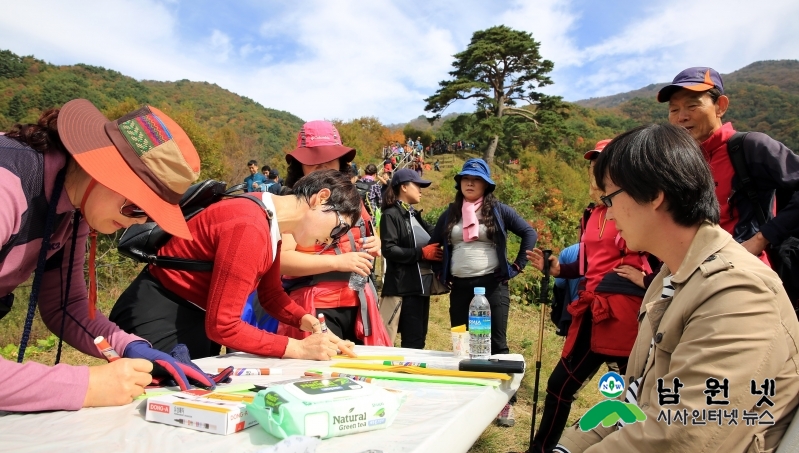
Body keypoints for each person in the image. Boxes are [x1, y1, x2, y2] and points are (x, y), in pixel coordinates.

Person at [555, 123, 799, 453]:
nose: (608, 216)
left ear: (655, 194)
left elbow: (680, 437)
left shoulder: (738, 294)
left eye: (610, 198)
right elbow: (633, 404)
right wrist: (567, 447)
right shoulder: (670, 280)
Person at [0, 100, 219, 412]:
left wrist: (131, 346)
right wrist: (85, 386)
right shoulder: (6, 186)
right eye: (138, 208)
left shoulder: (74, 207)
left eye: (150, 216)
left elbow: (66, 305)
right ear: (104, 172)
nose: (137, 222)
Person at [110, 170, 358, 360]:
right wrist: (298, 348)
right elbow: (224, 326)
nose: (332, 239)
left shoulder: (270, 222)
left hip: (194, 318)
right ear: (320, 198)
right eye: (339, 228)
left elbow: (270, 295)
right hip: (160, 318)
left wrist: (313, 325)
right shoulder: (249, 224)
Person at [526, 139, 654, 452]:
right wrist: (557, 269)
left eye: (605, 162)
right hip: (592, 308)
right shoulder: (592, 213)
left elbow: (660, 251)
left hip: (626, 311)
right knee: (559, 386)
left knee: (637, 391)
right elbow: (586, 263)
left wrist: (648, 279)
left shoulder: (636, 204)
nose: (597, 168)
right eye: (594, 162)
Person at [430, 158, 537, 426]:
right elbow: (433, 244)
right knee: (462, 345)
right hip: (461, 287)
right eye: (465, 178)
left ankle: (504, 405)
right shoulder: (451, 213)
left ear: (486, 185)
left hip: (493, 285)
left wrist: (517, 266)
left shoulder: (498, 211)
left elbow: (528, 233)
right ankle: (468, 398)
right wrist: (440, 271)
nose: (469, 182)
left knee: (497, 344)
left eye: (475, 179)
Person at [658, 67, 799, 269]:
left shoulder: (751, 147)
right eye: (674, 110)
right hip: (695, 275)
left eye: (692, 105)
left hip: (743, 273)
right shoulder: (680, 164)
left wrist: (761, 239)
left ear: (720, 106)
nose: (682, 117)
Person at [277, 121, 390, 346]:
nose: (323, 169)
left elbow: (366, 234)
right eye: (314, 163)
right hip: (314, 307)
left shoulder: (353, 200)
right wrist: (339, 262)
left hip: (359, 303)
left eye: (329, 161)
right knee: (321, 377)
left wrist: (376, 243)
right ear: (300, 166)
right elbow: (282, 261)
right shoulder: (292, 202)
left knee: (363, 374)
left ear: (341, 163)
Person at [379, 169, 441, 348]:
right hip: (404, 288)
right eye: (418, 185)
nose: (421, 190)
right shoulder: (391, 215)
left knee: (419, 339)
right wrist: (421, 253)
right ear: (404, 187)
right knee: (408, 342)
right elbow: (389, 249)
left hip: (421, 287)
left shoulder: (413, 214)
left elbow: (436, 234)